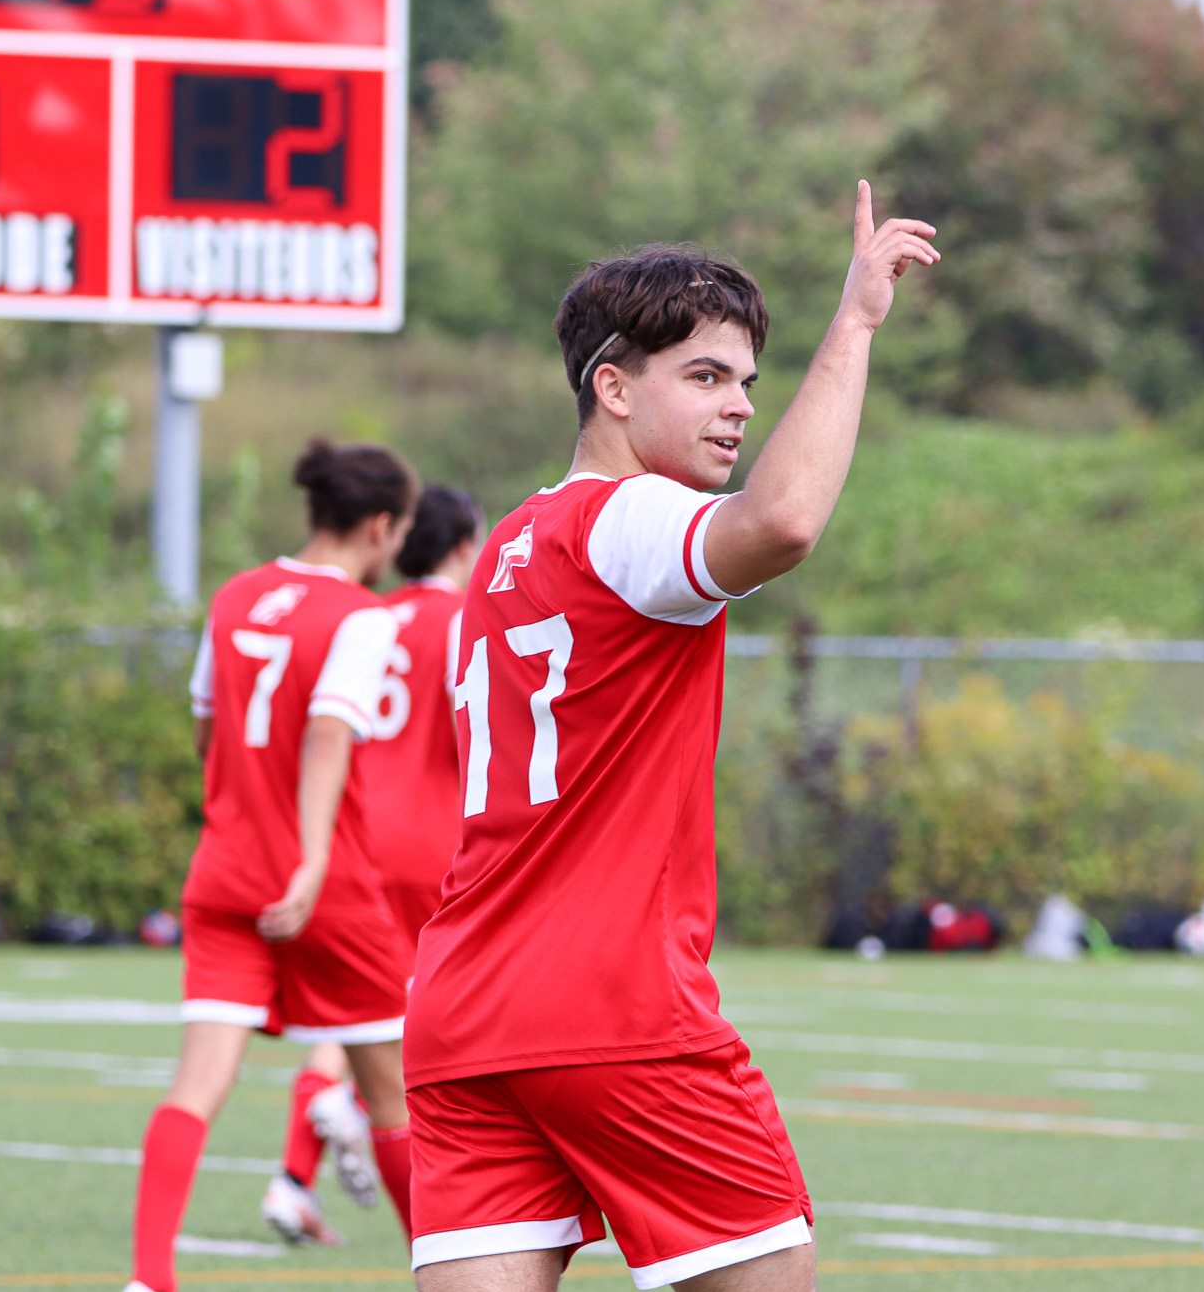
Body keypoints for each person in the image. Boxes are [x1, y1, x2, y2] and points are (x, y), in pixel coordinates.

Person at [403, 182, 939, 1291]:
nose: (738, 407)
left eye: (746, 382)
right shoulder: (629, 517)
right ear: (611, 386)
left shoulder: (509, 544)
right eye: (703, 377)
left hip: (462, 1007)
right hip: (614, 1005)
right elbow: (782, 522)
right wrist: (854, 323)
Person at [123, 440, 421, 1292]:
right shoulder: (362, 615)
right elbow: (328, 729)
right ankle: (446, 1274)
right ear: (379, 525)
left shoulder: (236, 594)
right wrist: (313, 853)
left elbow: (206, 726)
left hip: (224, 871)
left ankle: (149, 1279)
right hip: (324, 885)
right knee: (393, 1097)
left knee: (196, 1084)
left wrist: (237, 804)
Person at [264, 484, 486, 1243]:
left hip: (355, 835)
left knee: (360, 1010)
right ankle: (355, 1111)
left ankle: (294, 1178)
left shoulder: (371, 614)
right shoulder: (463, 619)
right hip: (432, 842)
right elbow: (475, 727)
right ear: (464, 545)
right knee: (423, 1019)